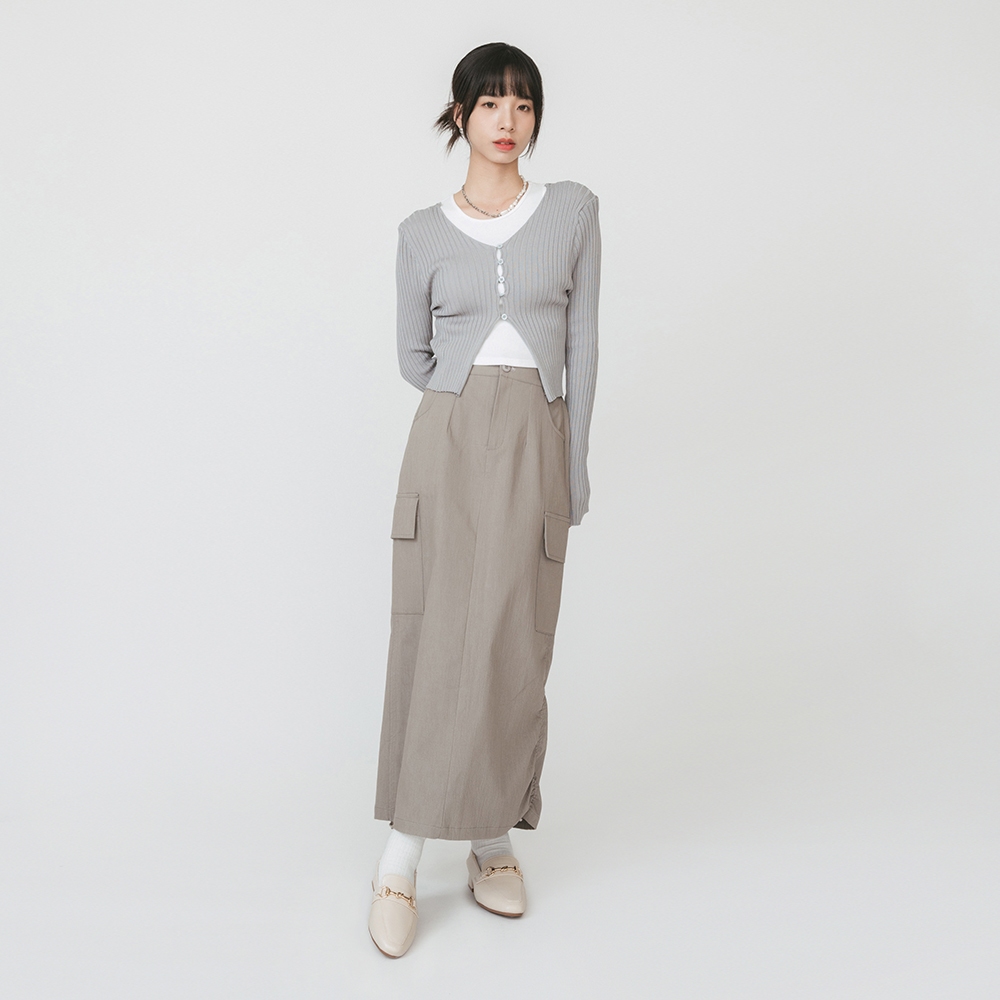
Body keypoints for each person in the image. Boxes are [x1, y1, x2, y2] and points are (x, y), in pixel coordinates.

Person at [368, 41, 600, 958]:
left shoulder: (572, 212)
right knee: (433, 638)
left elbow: (584, 351)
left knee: (513, 640)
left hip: (536, 444)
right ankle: (400, 856)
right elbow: (413, 357)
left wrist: (571, 471)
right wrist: (471, 405)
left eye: (525, 104)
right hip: (448, 442)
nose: (509, 121)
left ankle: (492, 838)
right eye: (492, 103)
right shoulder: (420, 233)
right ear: (460, 114)